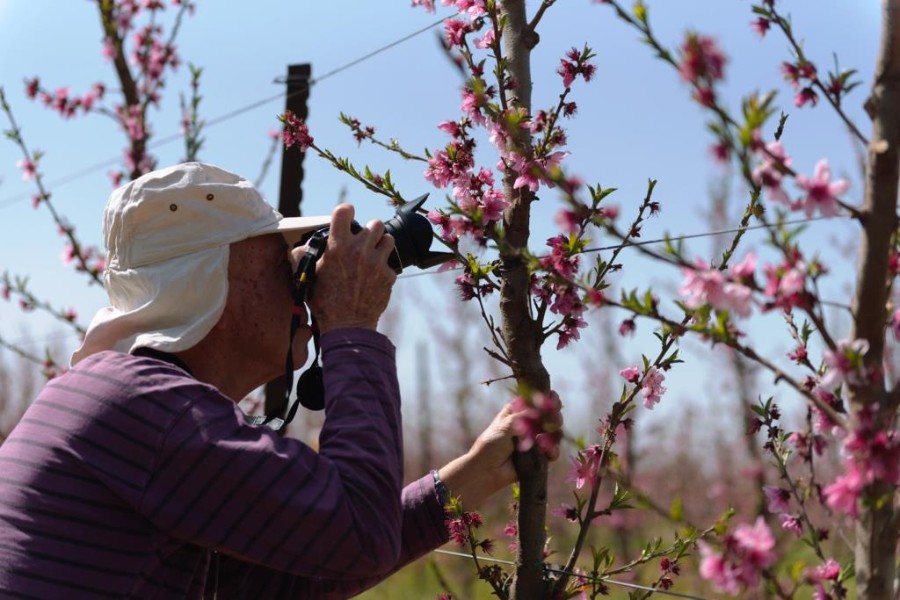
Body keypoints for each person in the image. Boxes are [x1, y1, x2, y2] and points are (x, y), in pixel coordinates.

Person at [0, 162, 559, 599]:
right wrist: (351, 326)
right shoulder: (149, 409)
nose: (304, 281)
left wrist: (473, 476)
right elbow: (360, 536)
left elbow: (262, 584)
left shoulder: (119, 397)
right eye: (281, 263)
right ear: (215, 278)